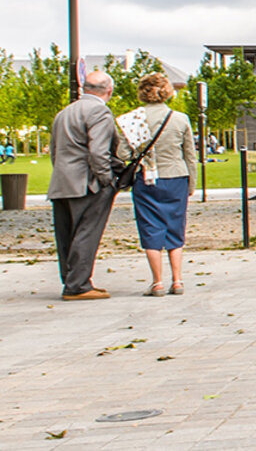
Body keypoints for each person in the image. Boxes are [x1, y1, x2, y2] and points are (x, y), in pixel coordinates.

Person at [48, 71, 122, 301]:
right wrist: (107, 179)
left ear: (84, 89)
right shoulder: (100, 112)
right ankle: (78, 285)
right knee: (87, 232)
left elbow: (54, 151)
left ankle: (71, 280)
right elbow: (99, 152)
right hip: (87, 183)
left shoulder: (64, 113)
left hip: (62, 181)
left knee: (66, 236)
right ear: (109, 90)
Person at [122, 73, 198, 297]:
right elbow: (190, 155)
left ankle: (157, 282)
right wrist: (191, 184)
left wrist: (138, 153)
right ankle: (177, 280)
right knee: (176, 226)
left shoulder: (133, 119)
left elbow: (122, 153)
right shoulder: (180, 119)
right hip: (176, 177)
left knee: (150, 227)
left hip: (147, 177)